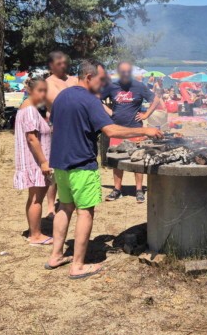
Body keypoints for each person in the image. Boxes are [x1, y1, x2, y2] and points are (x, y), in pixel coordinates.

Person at [46, 60, 162, 278]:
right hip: (81, 163)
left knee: (64, 207)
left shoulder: (62, 96)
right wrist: (145, 131)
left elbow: (54, 121)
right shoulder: (90, 100)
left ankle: (56, 256)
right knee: (85, 212)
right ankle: (78, 265)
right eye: (100, 80)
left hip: (60, 162)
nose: (103, 85)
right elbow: (110, 131)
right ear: (89, 77)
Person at [103, 61, 163, 203]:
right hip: (117, 129)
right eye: (122, 72)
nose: (125, 74)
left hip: (136, 128)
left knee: (138, 159)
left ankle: (139, 189)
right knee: (116, 160)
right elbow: (95, 99)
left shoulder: (139, 86)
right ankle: (117, 189)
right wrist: (109, 112)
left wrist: (146, 115)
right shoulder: (112, 86)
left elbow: (156, 99)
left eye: (127, 72)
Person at [13, 76, 53, 245]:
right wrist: (44, 162)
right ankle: (35, 235)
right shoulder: (29, 110)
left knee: (34, 197)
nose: (43, 94)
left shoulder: (28, 109)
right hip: (35, 162)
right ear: (30, 90)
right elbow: (32, 138)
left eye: (45, 91)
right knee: (37, 198)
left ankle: (34, 231)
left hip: (33, 161)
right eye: (40, 91)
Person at [44, 51, 77, 218]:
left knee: (75, 167)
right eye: (59, 63)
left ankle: (72, 199)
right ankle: (50, 206)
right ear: (51, 65)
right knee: (55, 171)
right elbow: (60, 102)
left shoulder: (74, 80)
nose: (63, 66)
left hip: (76, 130)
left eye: (65, 62)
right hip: (56, 130)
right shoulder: (47, 83)